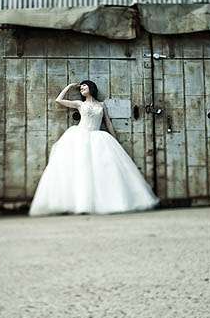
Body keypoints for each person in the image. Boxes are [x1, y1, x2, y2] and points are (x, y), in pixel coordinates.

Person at [28, 80, 160, 216]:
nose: (82, 89)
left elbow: (107, 122)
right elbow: (58, 100)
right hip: (80, 136)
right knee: (81, 170)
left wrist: (114, 139)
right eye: (81, 88)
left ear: (91, 87)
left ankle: (106, 201)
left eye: (84, 86)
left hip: (98, 136)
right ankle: (80, 203)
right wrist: (69, 86)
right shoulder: (80, 104)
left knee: (103, 169)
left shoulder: (101, 105)